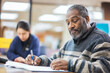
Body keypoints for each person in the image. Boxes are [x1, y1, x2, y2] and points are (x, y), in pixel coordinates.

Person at [25, 5, 110, 73]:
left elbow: (103, 69)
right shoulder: (69, 43)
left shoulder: (100, 39)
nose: (70, 26)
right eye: (68, 22)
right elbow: (54, 60)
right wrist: (40, 60)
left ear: (87, 19)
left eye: (75, 20)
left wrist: (70, 65)